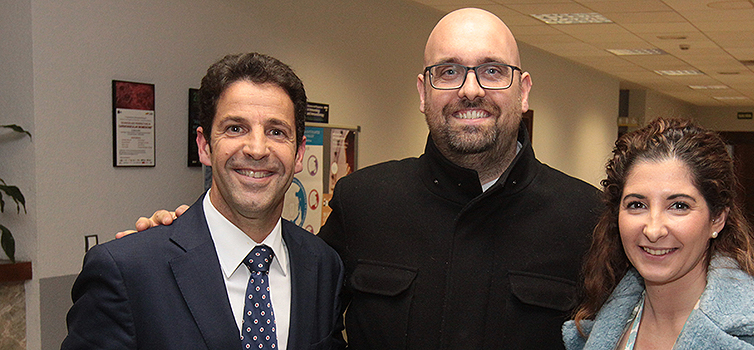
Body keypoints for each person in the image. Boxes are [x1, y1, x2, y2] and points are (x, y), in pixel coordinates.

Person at [124, 8, 602, 349]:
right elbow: (284, 279)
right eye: (448, 71)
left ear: (522, 90)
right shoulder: (365, 203)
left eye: (493, 71)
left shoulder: (588, 219)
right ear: (423, 91)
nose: (470, 89)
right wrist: (192, 237)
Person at [63, 53, 345, 350]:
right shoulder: (128, 271)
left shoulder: (323, 266)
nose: (257, 149)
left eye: (276, 132)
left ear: (299, 153)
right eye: (235, 128)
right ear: (205, 146)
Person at [563, 118, 754, 349]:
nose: (653, 230)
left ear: (718, 218)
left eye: (679, 206)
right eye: (637, 205)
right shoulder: (604, 322)